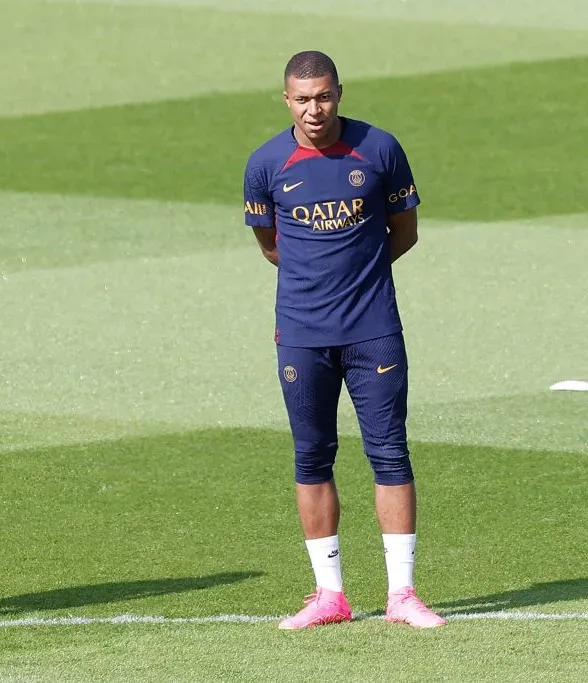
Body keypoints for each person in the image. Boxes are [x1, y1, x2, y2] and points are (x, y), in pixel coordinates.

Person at [242, 51, 445, 629]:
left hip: (373, 328)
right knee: (311, 458)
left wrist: (356, 280)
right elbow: (271, 245)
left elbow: (402, 233)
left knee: (389, 453)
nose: (315, 109)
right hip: (302, 336)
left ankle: (402, 595)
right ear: (286, 100)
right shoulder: (265, 164)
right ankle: (329, 594)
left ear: (339, 92)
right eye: (303, 99)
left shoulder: (379, 148)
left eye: (324, 96)